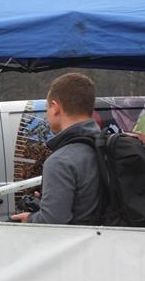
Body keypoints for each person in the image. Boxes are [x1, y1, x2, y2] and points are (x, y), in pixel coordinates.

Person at [12, 73, 103, 226]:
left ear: (55, 108)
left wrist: (30, 219)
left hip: (82, 240)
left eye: (47, 108)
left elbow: (52, 221)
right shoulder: (107, 147)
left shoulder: (61, 161)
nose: (47, 114)